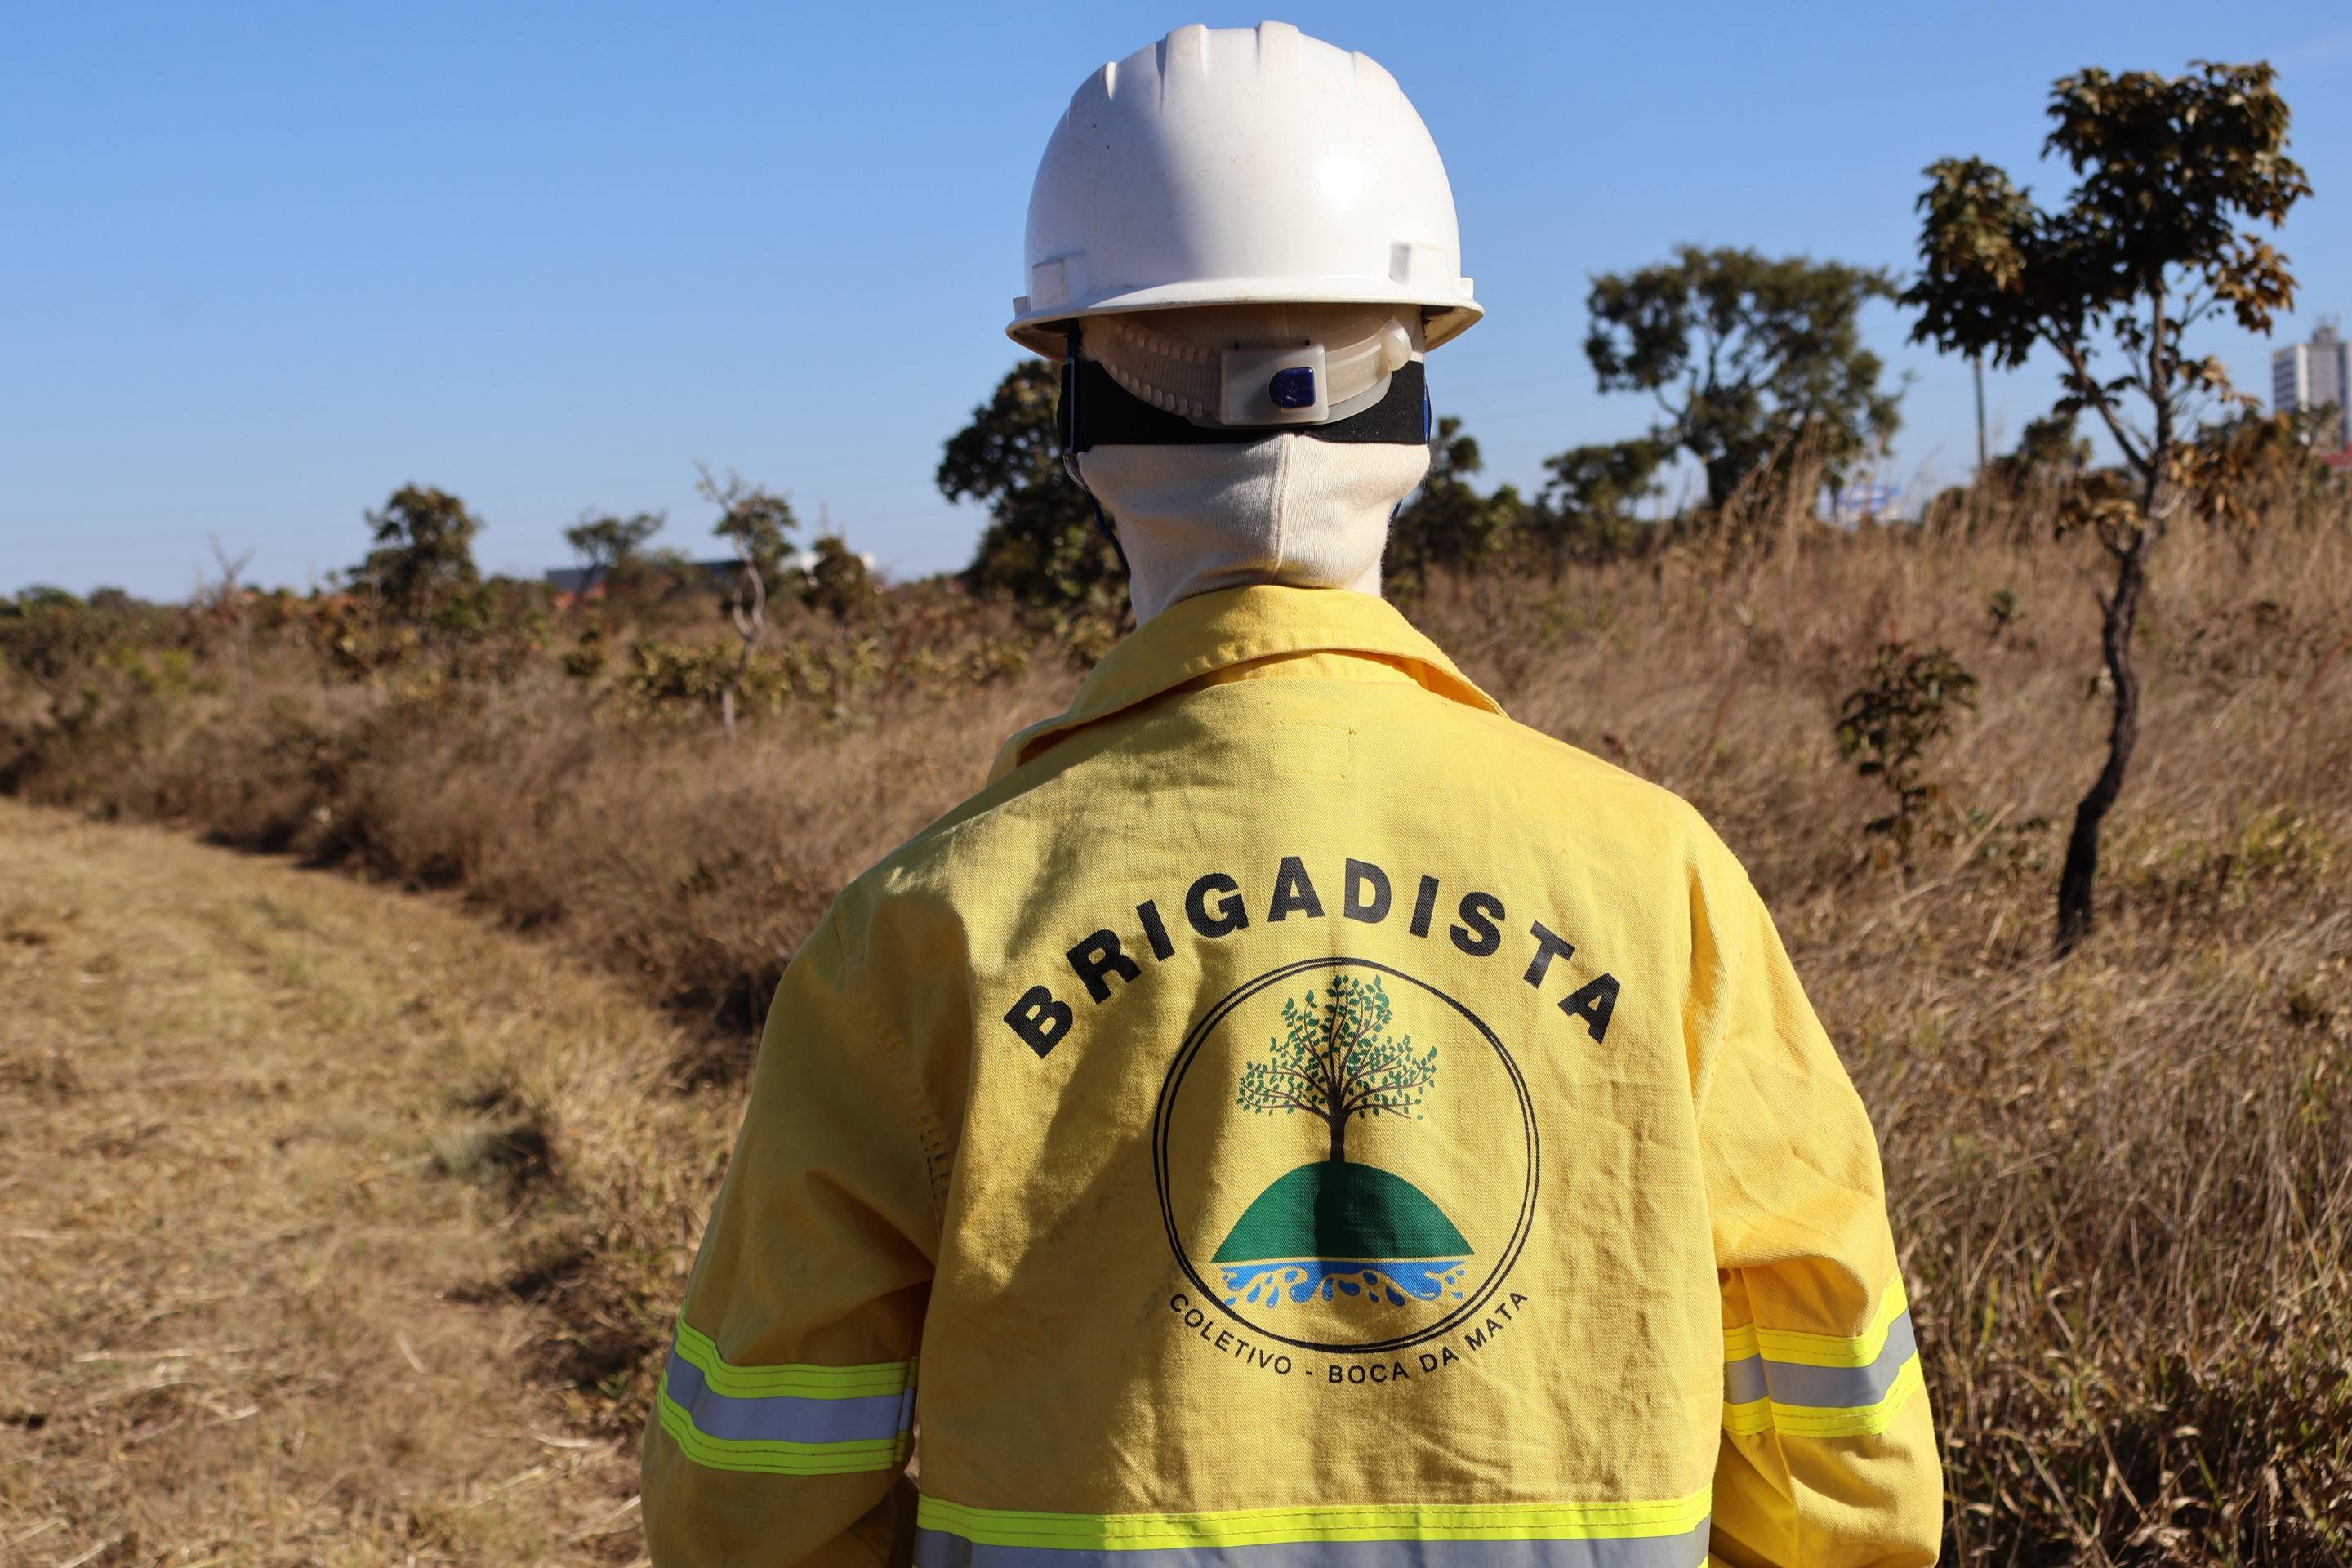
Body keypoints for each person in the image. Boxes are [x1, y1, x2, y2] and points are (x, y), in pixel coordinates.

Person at [641, 22, 1941, 1568]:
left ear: (1076, 408)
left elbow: (751, 1496)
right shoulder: (1655, 881)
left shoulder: (928, 927)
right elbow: (1845, 1438)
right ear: (1416, 392)